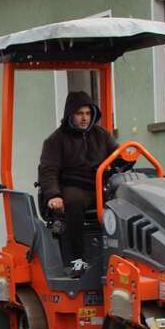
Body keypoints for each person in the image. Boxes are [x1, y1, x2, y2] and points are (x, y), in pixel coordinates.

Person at [38, 90, 117, 274]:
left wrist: (127, 159)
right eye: (79, 114)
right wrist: (53, 195)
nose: (84, 118)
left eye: (88, 113)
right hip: (73, 188)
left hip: (100, 187)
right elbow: (48, 171)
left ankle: (122, 256)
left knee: (125, 201)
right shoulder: (55, 141)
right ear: (70, 115)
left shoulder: (101, 135)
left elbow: (116, 155)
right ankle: (76, 260)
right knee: (73, 201)